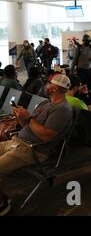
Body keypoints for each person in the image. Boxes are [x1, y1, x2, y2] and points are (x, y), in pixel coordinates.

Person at [0, 74, 73, 215]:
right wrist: (21, 117)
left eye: (48, 83)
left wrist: (29, 117)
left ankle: (2, 204)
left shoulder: (62, 110)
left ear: (54, 88)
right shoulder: (46, 103)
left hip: (32, 150)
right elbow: (28, 125)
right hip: (18, 142)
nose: (46, 85)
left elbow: (46, 136)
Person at [72, 35, 91, 99]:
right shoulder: (79, 47)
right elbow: (75, 59)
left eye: (89, 41)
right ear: (83, 41)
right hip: (81, 70)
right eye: (86, 41)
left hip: (89, 69)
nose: (88, 42)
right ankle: (82, 98)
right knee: (82, 85)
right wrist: (71, 70)